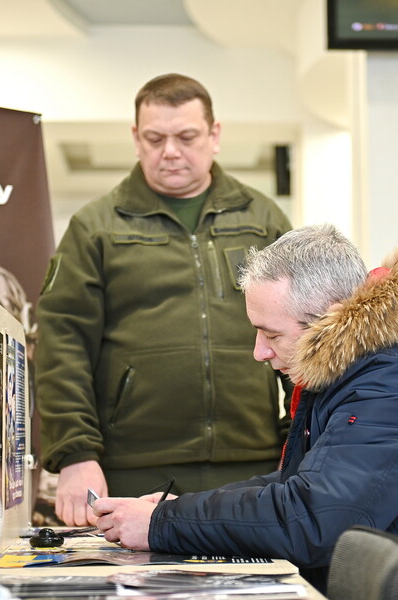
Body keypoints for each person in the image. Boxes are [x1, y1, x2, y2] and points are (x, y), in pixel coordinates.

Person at [91, 224, 398, 599]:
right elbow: (299, 486)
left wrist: (160, 525)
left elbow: (314, 518)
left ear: (329, 317)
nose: (259, 352)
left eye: (272, 334)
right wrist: (171, 511)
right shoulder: (371, 368)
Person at [35, 73, 293, 527]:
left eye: (186, 136)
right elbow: (62, 344)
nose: (170, 151)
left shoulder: (263, 219)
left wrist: (303, 442)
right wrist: (75, 453)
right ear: (136, 139)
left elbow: (305, 332)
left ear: (214, 135)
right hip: (132, 469)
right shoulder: (95, 227)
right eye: (155, 138)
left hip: (254, 465)